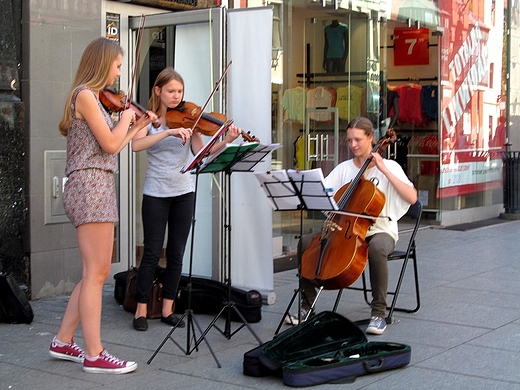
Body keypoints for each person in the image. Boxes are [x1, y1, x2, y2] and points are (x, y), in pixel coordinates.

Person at [50, 37, 157, 374]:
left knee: (92, 273)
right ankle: (95, 354)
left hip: (95, 182)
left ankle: (64, 340)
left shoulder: (91, 98)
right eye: (118, 65)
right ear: (103, 62)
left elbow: (113, 145)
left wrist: (135, 125)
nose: (119, 72)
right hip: (91, 185)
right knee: (96, 273)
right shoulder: (85, 95)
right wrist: (127, 118)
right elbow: (110, 144)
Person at [131, 68, 242, 331]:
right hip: (156, 192)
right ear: (158, 91)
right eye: (171, 91)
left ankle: (169, 308)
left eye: (179, 91)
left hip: (184, 191)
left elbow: (201, 152)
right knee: (151, 252)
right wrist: (168, 132)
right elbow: (136, 145)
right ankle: (141, 311)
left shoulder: (187, 120)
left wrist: (225, 140)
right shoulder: (147, 119)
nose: (176, 96)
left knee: (177, 254)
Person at [286, 117, 417, 335]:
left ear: (371, 138)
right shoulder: (343, 169)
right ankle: (306, 308)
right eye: (349, 141)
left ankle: (378, 313)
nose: (353, 145)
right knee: (306, 243)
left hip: (380, 230)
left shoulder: (390, 166)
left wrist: (383, 169)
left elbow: (412, 197)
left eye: (358, 139)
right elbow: (324, 194)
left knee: (376, 248)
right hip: (344, 229)